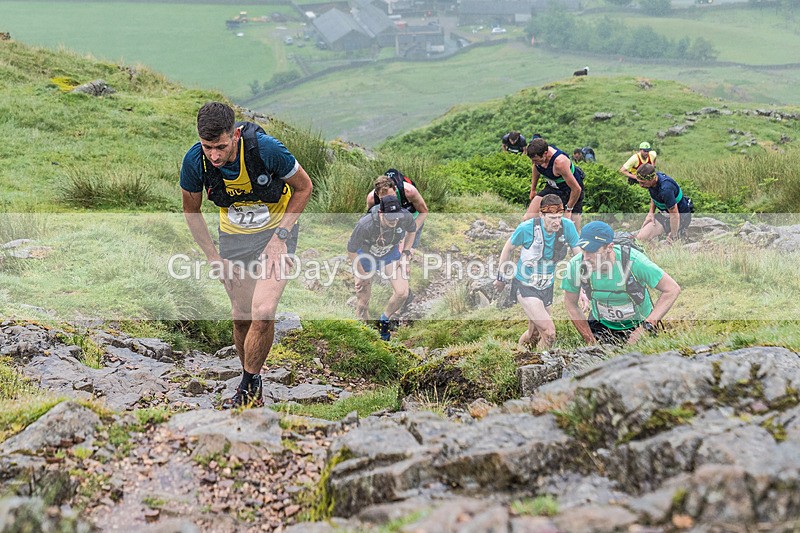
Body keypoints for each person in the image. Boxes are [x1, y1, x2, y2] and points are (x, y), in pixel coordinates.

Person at [180, 102, 313, 409]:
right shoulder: (194, 161)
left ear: (236, 135)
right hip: (234, 239)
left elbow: (304, 187)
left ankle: (248, 386)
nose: (214, 155)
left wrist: (281, 236)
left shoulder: (267, 150)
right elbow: (191, 211)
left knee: (263, 311)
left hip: (276, 233)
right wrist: (213, 257)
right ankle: (250, 376)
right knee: (242, 317)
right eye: (208, 147)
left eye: (221, 147)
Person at [562, 221, 681, 345]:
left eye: (592, 251)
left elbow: (672, 289)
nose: (586, 257)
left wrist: (647, 327)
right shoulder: (576, 265)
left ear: (609, 247)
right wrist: (590, 340)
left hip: (639, 323)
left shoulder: (635, 261)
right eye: (583, 250)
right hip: (600, 324)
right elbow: (571, 303)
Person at [493, 195, 581, 350]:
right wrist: (501, 277)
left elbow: (579, 256)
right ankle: (538, 367)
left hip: (547, 286)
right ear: (541, 215)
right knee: (549, 333)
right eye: (552, 218)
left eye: (559, 217)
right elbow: (507, 249)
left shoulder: (567, 227)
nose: (556, 222)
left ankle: (518, 356)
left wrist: (585, 284)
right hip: (525, 285)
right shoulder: (527, 228)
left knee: (534, 335)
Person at [347, 195, 417, 341]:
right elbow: (351, 250)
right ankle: (366, 335)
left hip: (389, 256)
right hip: (365, 257)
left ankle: (383, 320)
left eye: (396, 217)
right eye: (390, 218)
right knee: (362, 304)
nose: (394, 221)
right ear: (380, 213)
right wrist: (361, 273)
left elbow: (412, 230)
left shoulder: (404, 217)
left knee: (402, 292)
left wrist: (405, 253)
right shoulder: (365, 225)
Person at [524, 137, 585, 231]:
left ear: (545, 153)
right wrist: (533, 189)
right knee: (527, 219)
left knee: (572, 230)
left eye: (536, 160)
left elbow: (577, 189)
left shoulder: (560, 163)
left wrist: (569, 209)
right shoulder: (538, 158)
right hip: (552, 187)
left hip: (570, 191)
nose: (534, 163)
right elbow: (536, 168)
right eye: (532, 160)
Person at [365, 171, 428, 251]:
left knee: (408, 251)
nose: (389, 201)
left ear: (394, 189)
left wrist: (411, 230)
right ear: (377, 194)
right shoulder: (372, 199)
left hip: (413, 217)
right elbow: (371, 219)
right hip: (390, 220)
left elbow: (424, 212)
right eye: (384, 199)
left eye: (392, 196)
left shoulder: (409, 191)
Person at [633, 163, 693, 243]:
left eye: (643, 183)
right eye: (639, 182)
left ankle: (680, 232)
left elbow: (674, 214)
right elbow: (654, 195)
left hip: (680, 216)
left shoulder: (665, 189)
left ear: (652, 179)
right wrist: (651, 213)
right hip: (665, 214)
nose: (641, 185)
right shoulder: (653, 180)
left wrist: (674, 235)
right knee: (641, 238)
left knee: (671, 242)